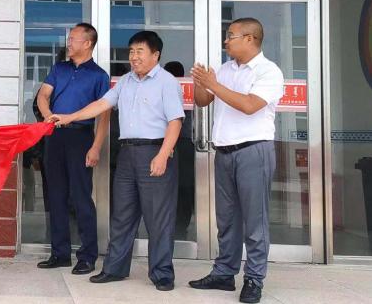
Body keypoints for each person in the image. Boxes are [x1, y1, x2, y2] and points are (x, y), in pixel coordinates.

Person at [49, 31, 184, 291]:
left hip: (155, 151)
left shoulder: (166, 82)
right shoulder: (125, 81)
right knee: (122, 214)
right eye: (131, 51)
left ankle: (162, 273)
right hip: (127, 153)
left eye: (140, 51)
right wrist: (69, 117)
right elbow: (101, 104)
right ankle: (114, 268)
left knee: (158, 218)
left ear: (155, 55)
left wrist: (163, 154)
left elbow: (175, 122)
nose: (134, 57)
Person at [188, 17, 284, 304]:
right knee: (227, 219)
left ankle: (254, 278)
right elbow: (203, 101)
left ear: (250, 39)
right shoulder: (225, 70)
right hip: (224, 152)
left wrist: (213, 85)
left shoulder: (268, 71)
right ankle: (224, 273)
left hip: (254, 151)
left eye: (231, 36)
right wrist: (201, 83)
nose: (226, 41)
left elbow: (249, 105)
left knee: (255, 221)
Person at [34, 23, 110, 276]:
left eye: (74, 39)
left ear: (87, 43)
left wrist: (96, 147)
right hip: (54, 136)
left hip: (81, 137)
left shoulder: (99, 75)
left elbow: (104, 116)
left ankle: (87, 256)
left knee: (80, 197)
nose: (69, 42)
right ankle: (60, 253)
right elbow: (43, 95)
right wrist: (48, 115)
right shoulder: (59, 68)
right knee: (55, 195)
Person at [163, 61, 196, 237]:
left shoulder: (169, 90)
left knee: (174, 185)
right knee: (184, 186)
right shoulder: (185, 91)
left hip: (178, 142)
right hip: (185, 142)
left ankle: (173, 224)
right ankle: (180, 225)